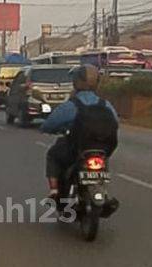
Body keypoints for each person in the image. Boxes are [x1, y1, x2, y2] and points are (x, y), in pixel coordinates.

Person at [41, 64, 119, 200]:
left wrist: (47, 128)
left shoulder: (72, 105)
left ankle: (54, 190)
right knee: (104, 161)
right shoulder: (105, 104)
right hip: (104, 149)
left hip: (76, 149)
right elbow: (116, 123)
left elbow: (50, 124)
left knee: (53, 155)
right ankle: (103, 193)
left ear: (76, 82)